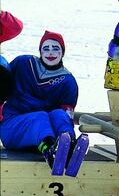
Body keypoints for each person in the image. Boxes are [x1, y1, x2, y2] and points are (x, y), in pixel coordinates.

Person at [0, 31, 81, 172]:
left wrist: (65, 127)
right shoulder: (23, 63)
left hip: (45, 130)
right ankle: (50, 150)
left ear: (62, 52)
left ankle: (68, 146)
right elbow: (2, 82)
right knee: (40, 116)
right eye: (46, 48)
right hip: (13, 128)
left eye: (56, 48)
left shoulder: (68, 81)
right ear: (40, 51)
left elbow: (67, 114)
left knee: (59, 114)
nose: (50, 53)